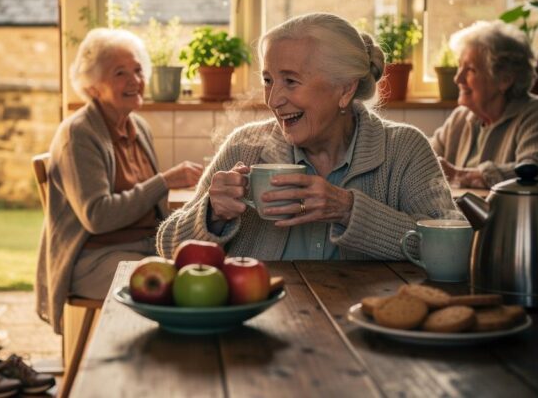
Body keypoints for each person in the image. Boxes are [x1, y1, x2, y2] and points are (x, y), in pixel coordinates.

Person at [156, 13, 457, 261]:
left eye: (290, 81)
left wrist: (347, 210)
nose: (273, 100)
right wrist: (212, 214)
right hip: (264, 312)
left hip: (369, 313)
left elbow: (452, 247)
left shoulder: (404, 149)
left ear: (345, 89)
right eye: (268, 80)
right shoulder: (244, 146)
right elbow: (169, 247)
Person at [35, 28, 202, 333]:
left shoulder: (138, 126)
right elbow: (97, 216)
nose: (135, 80)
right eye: (120, 73)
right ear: (93, 87)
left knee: (205, 272)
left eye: (138, 70)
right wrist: (164, 181)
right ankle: (146, 360)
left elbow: (152, 208)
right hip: (91, 260)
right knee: (176, 288)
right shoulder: (79, 134)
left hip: (143, 249)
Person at [430, 21, 538, 188]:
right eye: (460, 67)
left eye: (470, 70)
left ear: (504, 80)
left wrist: (462, 176)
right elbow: (424, 157)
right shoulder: (461, 117)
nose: (458, 78)